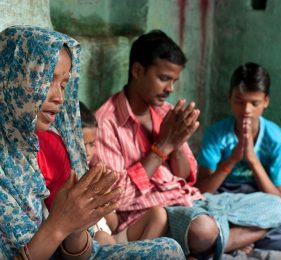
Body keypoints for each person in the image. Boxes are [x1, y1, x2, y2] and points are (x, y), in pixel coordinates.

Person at [95, 29, 281, 259]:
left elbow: (188, 178)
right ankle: (214, 240)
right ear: (138, 71)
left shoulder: (166, 112)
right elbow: (117, 198)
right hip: (156, 214)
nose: (171, 89)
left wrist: (177, 144)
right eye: (164, 78)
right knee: (204, 229)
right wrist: (161, 148)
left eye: (174, 80)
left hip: (194, 200)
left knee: (276, 206)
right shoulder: (107, 123)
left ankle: (211, 243)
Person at [0, 26, 185, 259]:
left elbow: (80, 254)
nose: (59, 97)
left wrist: (77, 225)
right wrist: (59, 225)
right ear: (11, 77)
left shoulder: (50, 144)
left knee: (169, 250)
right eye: (48, 80)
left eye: (64, 85)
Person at [195, 62, 281, 251]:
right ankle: (239, 238)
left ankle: (227, 239)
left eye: (255, 103)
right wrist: (232, 160)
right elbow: (201, 189)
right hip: (221, 196)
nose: (246, 110)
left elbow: (279, 198)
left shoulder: (277, 139)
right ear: (230, 98)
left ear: (266, 101)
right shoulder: (216, 133)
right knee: (196, 212)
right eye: (239, 101)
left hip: (258, 198)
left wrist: (252, 160)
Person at [79, 101, 169, 245]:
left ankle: (137, 254)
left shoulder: (95, 174)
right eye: (82, 145)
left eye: (92, 144)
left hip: (112, 238)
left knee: (158, 215)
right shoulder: (69, 178)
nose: (88, 152)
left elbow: (114, 225)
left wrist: (105, 199)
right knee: (102, 237)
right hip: (92, 244)